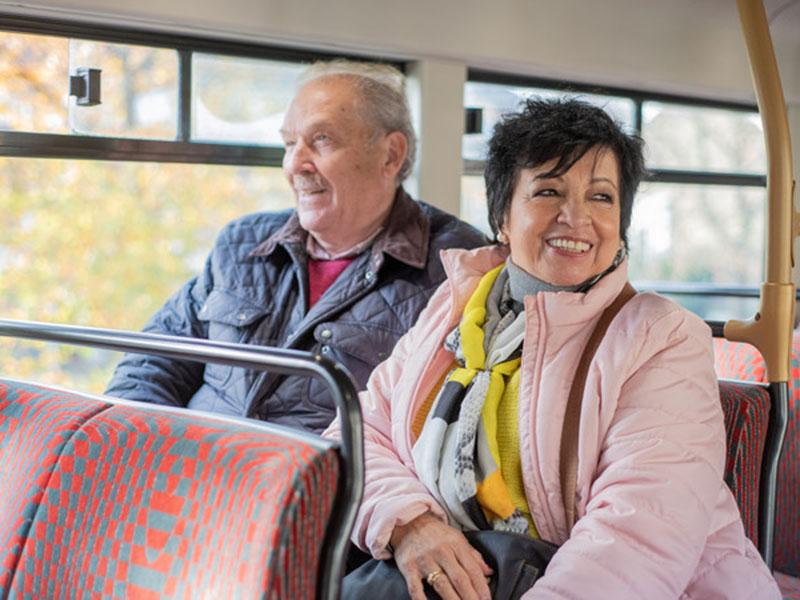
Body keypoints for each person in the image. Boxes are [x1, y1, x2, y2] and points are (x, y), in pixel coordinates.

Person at [326, 98, 780, 599]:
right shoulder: (456, 311)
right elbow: (357, 430)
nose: (576, 218)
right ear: (502, 216)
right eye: (548, 191)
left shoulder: (661, 337)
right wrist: (412, 525)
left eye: (601, 197)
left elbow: (636, 536)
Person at [105, 60, 486, 434]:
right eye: (289, 143)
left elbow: (440, 433)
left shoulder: (458, 268)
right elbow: (154, 360)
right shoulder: (241, 244)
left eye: (322, 140)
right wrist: (126, 444)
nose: (295, 164)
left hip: (328, 489)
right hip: (196, 475)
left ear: (390, 155)